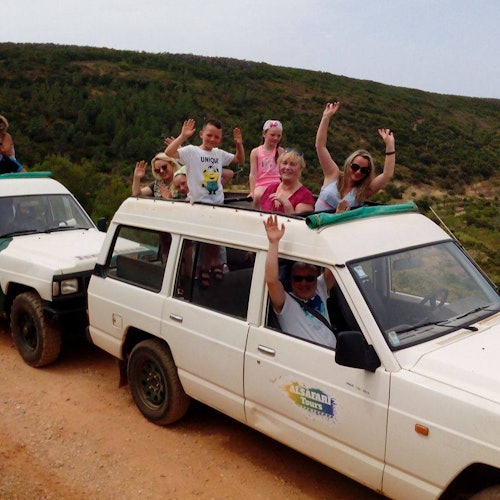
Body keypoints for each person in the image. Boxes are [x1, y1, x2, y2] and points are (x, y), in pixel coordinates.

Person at [165, 118, 245, 287]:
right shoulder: (192, 151)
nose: (212, 139)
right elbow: (169, 152)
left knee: (214, 238)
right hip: (199, 203)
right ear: (201, 134)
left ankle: (213, 265)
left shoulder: (219, 154)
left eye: (217, 137)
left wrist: (239, 144)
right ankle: (205, 267)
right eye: (209, 135)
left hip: (217, 202)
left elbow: (239, 159)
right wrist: (183, 136)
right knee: (204, 239)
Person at [264, 215, 336, 348]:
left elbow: (335, 265)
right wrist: (273, 243)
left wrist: (334, 224)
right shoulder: (285, 302)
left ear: (316, 278)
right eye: (298, 278)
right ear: (291, 280)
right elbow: (271, 280)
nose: (304, 283)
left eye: (309, 278)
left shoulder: (320, 288)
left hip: (334, 354)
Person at [315, 102, 396, 212]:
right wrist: (326, 118)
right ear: (348, 165)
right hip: (315, 220)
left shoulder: (363, 191)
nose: (358, 172)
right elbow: (320, 146)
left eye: (364, 170)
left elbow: (387, 174)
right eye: (355, 167)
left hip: (341, 223)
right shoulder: (333, 174)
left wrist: (390, 146)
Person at [259, 149, 315, 214]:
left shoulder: (305, 196)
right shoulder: (270, 189)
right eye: (284, 163)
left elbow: (298, 220)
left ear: (301, 168)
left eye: (292, 164)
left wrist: (287, 204)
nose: (287, 167)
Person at [249, 120, 284, 208]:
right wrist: (252, 191)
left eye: (278, 136)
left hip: (277, 184)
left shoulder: (281, 151)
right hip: (261, 184)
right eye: (272, 135)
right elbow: (253, 173)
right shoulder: (256, 152)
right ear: (264, 134)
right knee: (258, 196)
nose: (275, 138)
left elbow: (283, 172)